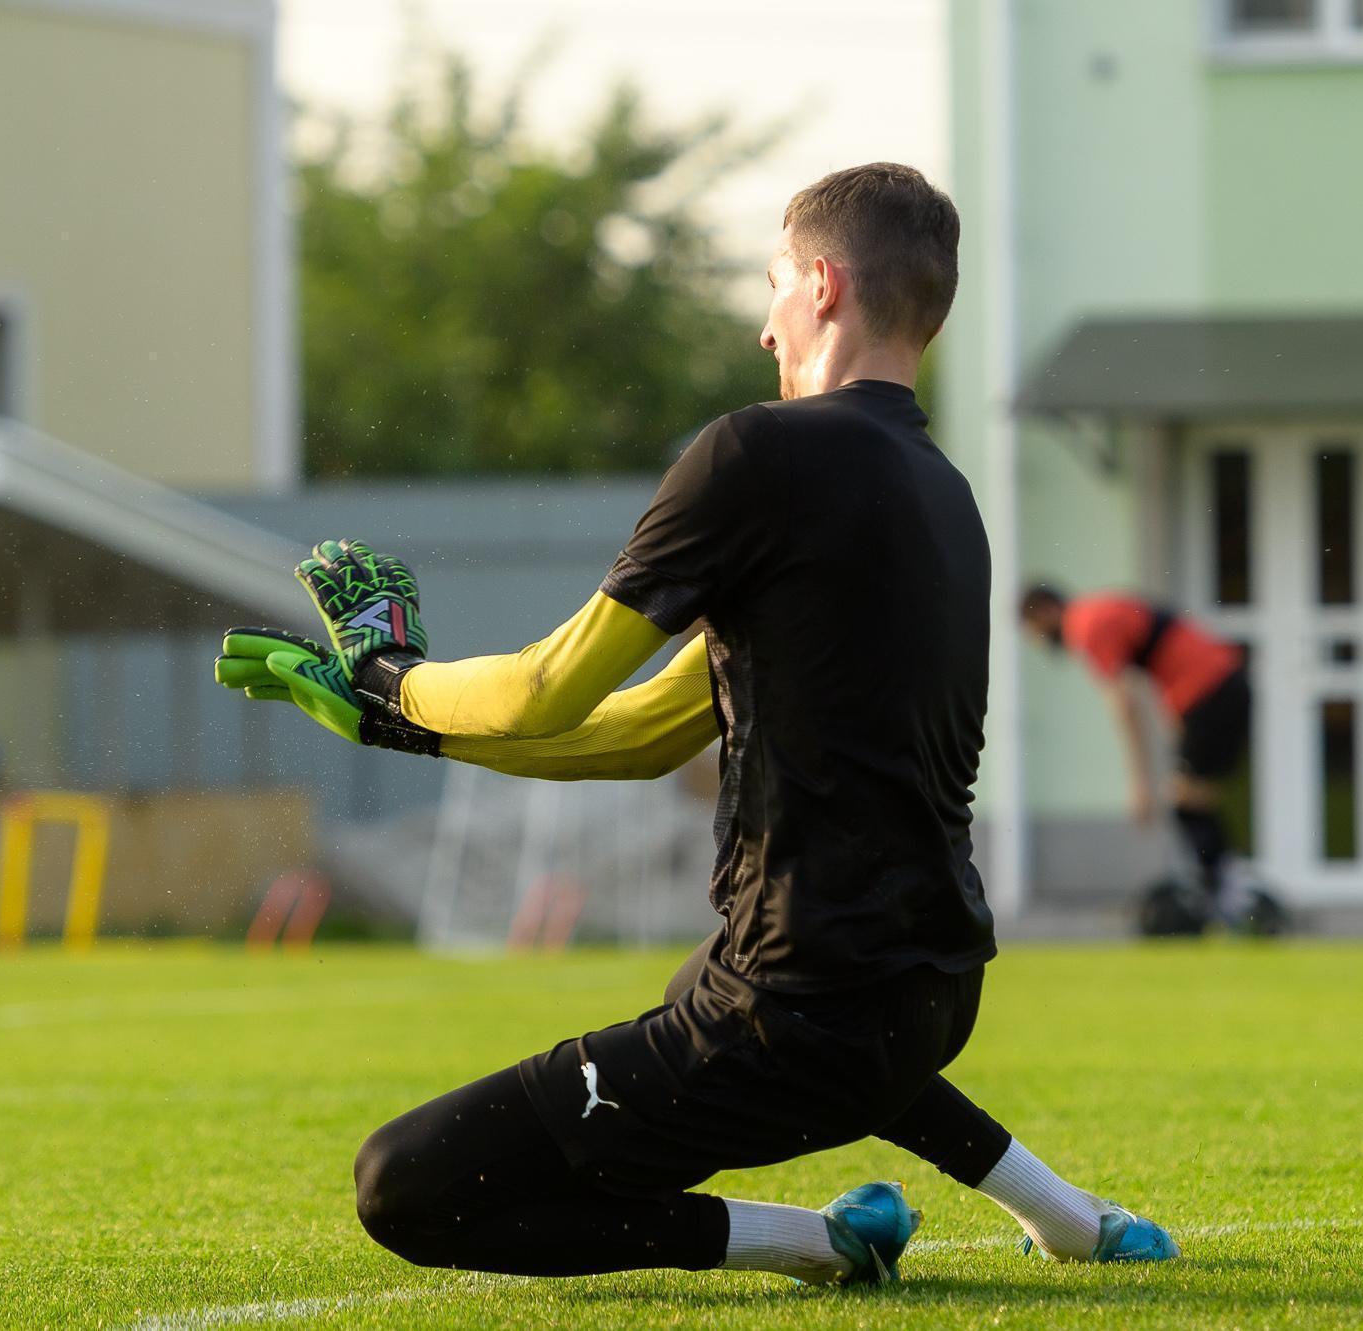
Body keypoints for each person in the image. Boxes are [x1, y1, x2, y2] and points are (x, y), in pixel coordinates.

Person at [215, 163, 1176, 1287]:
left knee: (405, 1183)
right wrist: (405, 728)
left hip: (794, 1015)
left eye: (772, 285)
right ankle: (1064, 1214)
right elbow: (642, 734)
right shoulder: (943, 491)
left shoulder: (754, 454)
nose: (765, 328)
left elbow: (542, 690)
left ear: (821, 284)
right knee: (708, 986)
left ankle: (816, 1245)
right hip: (931, 999)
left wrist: (389, 672)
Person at [1018, 584, 1257, 918]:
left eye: (1033, 630)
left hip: (1210, 691)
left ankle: (1232, 896)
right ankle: (1226, 888)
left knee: (1187, 802)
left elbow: (1124, 703)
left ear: (1045, 611)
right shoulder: (1096, 611)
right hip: (1216, 688)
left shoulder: (1084, 627)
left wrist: (1140, 781)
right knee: (1193, 800)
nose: (1037, 641)